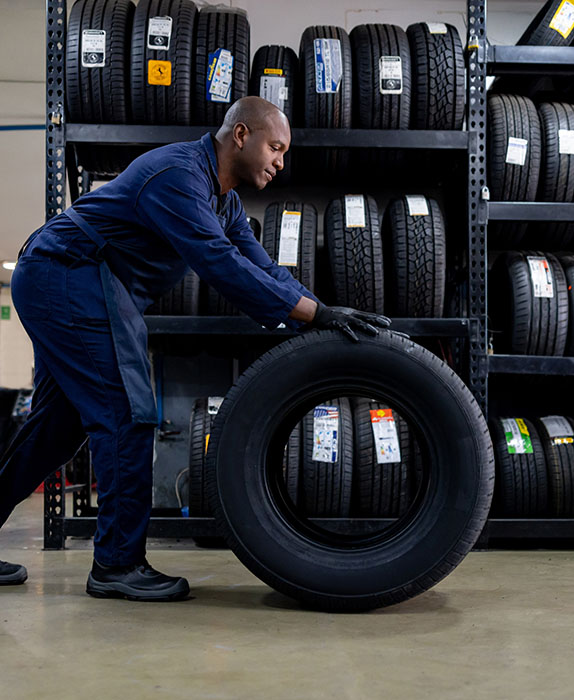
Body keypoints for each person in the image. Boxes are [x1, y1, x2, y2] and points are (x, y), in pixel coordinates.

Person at [0, 96, 389, 601]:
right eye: (275, 147)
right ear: (242, 135)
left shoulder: (221, 201)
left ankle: (112, 560)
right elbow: (219, 264)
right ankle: (117, 566)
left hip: (74, 281)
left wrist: (324, 313)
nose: (280, 162)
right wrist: (314, 316)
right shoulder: (177, 177)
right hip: (68, 273)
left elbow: (260, 267)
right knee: (127, 414)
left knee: (57, 427)